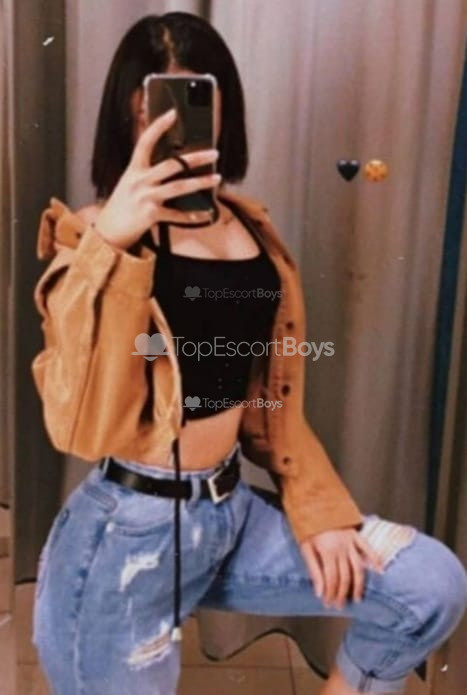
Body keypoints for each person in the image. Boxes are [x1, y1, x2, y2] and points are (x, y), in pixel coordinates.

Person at [31, 12, 466, 695]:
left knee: (428, 583)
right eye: (151, 114)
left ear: (223, 110)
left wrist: (319, 507)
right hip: (128, 539)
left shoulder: (249, 228)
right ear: (126, 118)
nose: (170, 131)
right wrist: (110, 245)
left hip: (229, 514)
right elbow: (79, 424)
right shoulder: (90, 238)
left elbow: (271, 405)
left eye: (192, 106)